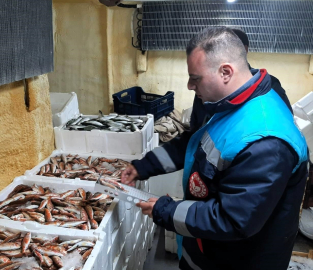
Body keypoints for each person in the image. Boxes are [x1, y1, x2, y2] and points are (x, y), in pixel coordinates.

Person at [121, 26, 308, 270]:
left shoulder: (266, 142)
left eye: (195, 78)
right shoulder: (224, 101)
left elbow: (233, 220)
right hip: (205, 247)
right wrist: (143, 167)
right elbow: (194, 143)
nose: (189, 85)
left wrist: (165, 210)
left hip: (239, 260)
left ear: (226, 72)